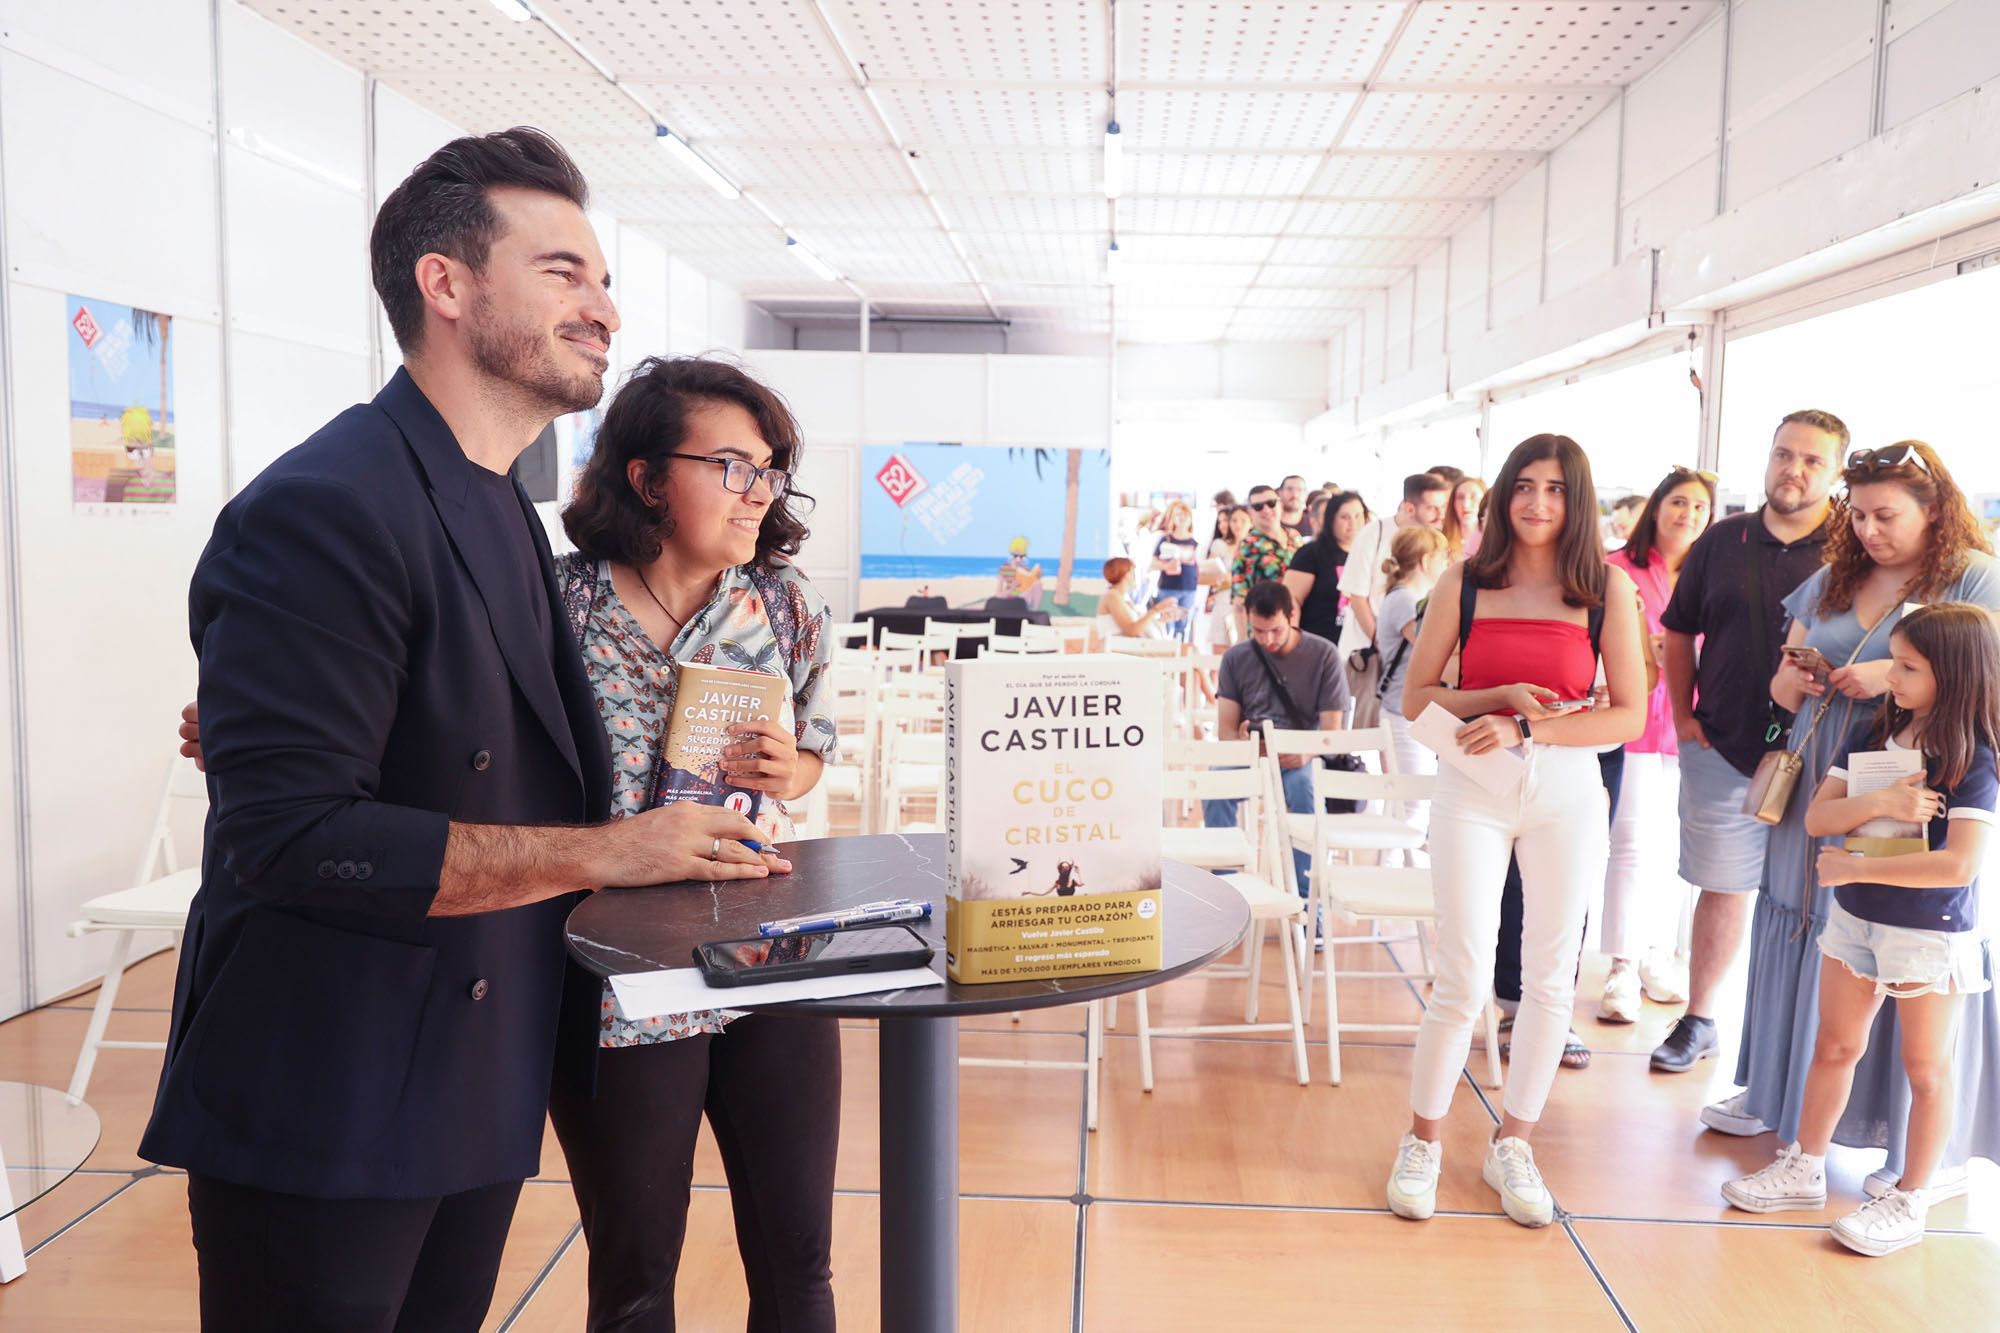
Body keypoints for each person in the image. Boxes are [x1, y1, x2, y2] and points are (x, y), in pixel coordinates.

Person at [144, 129, 786, 1331]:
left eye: (601, 278)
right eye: (562, 272)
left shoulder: (497, 503)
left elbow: (450, 736)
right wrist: (610, 850)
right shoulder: (326, 507)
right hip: (328, 1099)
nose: (603, 307)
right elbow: (290, 839)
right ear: (446, 286)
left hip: (470, 1087)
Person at [549, 355, 842, 1330]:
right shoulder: (561, 608)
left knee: (799, 1263)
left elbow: (814, 748)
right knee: (634, 1275)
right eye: (730, 465)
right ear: (643, 476)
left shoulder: (782, 602)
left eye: (768, 469)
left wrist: (784, 766)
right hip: (621, 966)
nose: (757, 492)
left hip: (771, 943)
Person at [1385, 434, 1646, 1229]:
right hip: (1472, 783)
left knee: (1551, 979)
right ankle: (1422, 1140)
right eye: (1525, 486)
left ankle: (1514, 1143)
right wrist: (1497, 697)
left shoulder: (1606, 587)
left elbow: (1628, 712)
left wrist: (1530, 731)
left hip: (1564, 787)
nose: (1538, 503)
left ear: (1580, 500)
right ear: (1501, 496)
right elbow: (1416, 696)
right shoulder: (1465, 580)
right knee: (1460, 976)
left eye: (1557, 489)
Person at [1731, 441, 2000, 1204]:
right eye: (1860, 514)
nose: (1871, 529)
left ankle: (1914, 1155)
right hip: (1832, 769)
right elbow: (1783, 680)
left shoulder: (1976, 578)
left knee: (1913, 960)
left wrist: (1885, 675)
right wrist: (1804, 674)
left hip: (1922, 785)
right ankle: (1793, 1121)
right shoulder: (1838, 572)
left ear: (1935, 510)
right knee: (1812, 925)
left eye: (1888, 514)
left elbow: (1985, 670)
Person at [1649, 411, 1844, 1079]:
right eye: (1784, 454)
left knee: (1810, 898)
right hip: (1727, 746)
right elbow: (1678, 629)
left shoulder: (1855, 546)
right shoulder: (1721, 540)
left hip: (1825, 756)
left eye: (1813, 460)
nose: (1794, 468)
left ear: (1836, 472)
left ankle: (1794, 1037)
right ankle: (1700, 1017)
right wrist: (1682, 716)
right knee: (1724, 888)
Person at [1596, 466, 1715, 1022]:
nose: (1688, 514)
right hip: (1636, 722)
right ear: (1656, 508)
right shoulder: (1617, 569)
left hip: (1693, 724)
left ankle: (1654, 958)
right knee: (1631, 845)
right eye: (1678, 502)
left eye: (1699, 506)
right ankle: (1620, 965)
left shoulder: (1709, 571)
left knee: (1673, 851)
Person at [1204, 580, 1351, 886]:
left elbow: (1332, 733)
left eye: (1275, 630)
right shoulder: (1237, 658)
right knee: (1216, 784)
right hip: (1254, 753)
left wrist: (1306, 753)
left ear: (1291, 617)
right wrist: (1243, 742)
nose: (1267, 640)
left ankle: (1307, 897)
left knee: (1304, 792)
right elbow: (1226, 731)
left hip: (1302, 755)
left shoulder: (1323, 654)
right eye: (1258, 631)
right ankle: (1227, 887)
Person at [1337, 472, 1449, 726]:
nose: (1440, 514)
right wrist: (1384, 642)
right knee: (1362, 726)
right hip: (1365, 653)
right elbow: (1357, 596)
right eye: (1432, 508)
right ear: (1409, 507)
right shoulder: (1373, 533)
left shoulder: (1430, 542)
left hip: (1394, 653)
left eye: (1442, 507)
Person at [1373, 525, 1451, 840]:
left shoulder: (1407, 596)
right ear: (1425, 560)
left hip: (1409, 713)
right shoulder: (1406, 601)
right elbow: (1430, 651)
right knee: (1411, 807)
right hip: (1402, 713)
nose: (1448, 564)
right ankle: (1393, 875)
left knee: (1412, 806)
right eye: (1443, 557)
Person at [1285, 490, 1367, 648]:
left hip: (1358, 649)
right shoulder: (1311, 554)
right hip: (1316, 646)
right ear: (1331, 520)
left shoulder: (1367, 554)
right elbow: (1290, 601)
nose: (1353, 523)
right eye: (1345, 517)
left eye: (1358, 516)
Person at [1232, 484, 1302, 635]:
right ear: (1250, 512)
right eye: (1258, 506)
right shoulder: (1247, 547)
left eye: (1271, 503)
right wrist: (1243, 640)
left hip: (1298, 627)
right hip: (1265, 631)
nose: (1266, 510)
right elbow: (1239, 600)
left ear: (1280, 504)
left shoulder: (1295, 537)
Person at [1150, 500, 1203, 642]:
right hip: (1168, 588)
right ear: (1172, 517)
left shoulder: (1195, 543)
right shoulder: (1165, 539)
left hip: (1189, 589)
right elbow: (1152, 563)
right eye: (1178, 514)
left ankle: (1181, 655)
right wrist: (1167, 566)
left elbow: (1201, 567)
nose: (1182, 518)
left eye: (1185, 514)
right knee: (1167, 623)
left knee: (1183, 626)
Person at [1099, 555, 1183, 642]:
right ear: (1127, 575)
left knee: (1185, 649)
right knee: (1186, 649)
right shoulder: (1112, 597)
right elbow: (1131, 631)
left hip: (1128, 647)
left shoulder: (1123, 599)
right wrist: (1156, 609)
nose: (1135, 577)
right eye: (1133, 573)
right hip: (1120, 650)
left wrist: (1162, 620)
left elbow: (1138, 627)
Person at [1203, 505, 1249, 649]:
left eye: (1243, 520)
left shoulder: (1257, 547)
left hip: (1248, 605)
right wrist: (1225, 580)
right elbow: (1203, 577)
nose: (1238, 524)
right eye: (1234, 520)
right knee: (1220, 654)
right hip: (1223, 603)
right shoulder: (1219, 545)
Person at [1443, 476, 1487, 560]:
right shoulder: (1442, 540)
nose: (1466, 504)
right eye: (1460, 497)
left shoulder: (1494, 541)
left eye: (1473, 497)